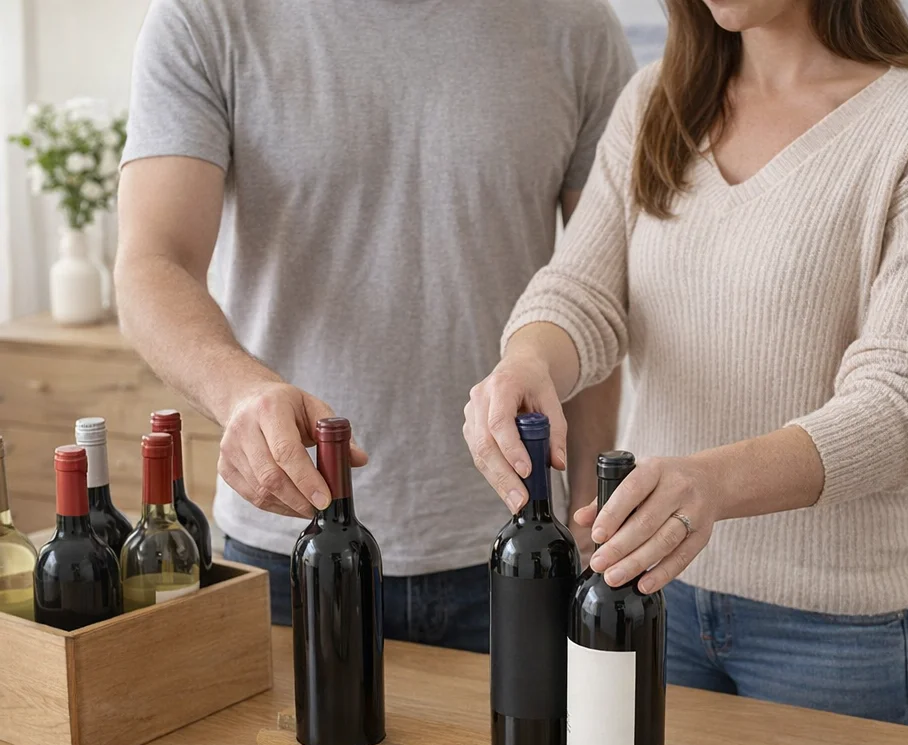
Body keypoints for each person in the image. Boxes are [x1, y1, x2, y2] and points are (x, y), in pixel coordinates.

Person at [463, 0, 908, 724]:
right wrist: (528, 359)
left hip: (836, 631)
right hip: (650, 592)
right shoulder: (656, 102)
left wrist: (708, 485)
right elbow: (583, 293)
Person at [115, 0, 636, 648]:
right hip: (290, 543)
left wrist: (586, 503)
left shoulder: (576, 26)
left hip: (516, 544)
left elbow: (598, 284)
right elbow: (151, 261)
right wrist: (240, 392)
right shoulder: (207, 17)